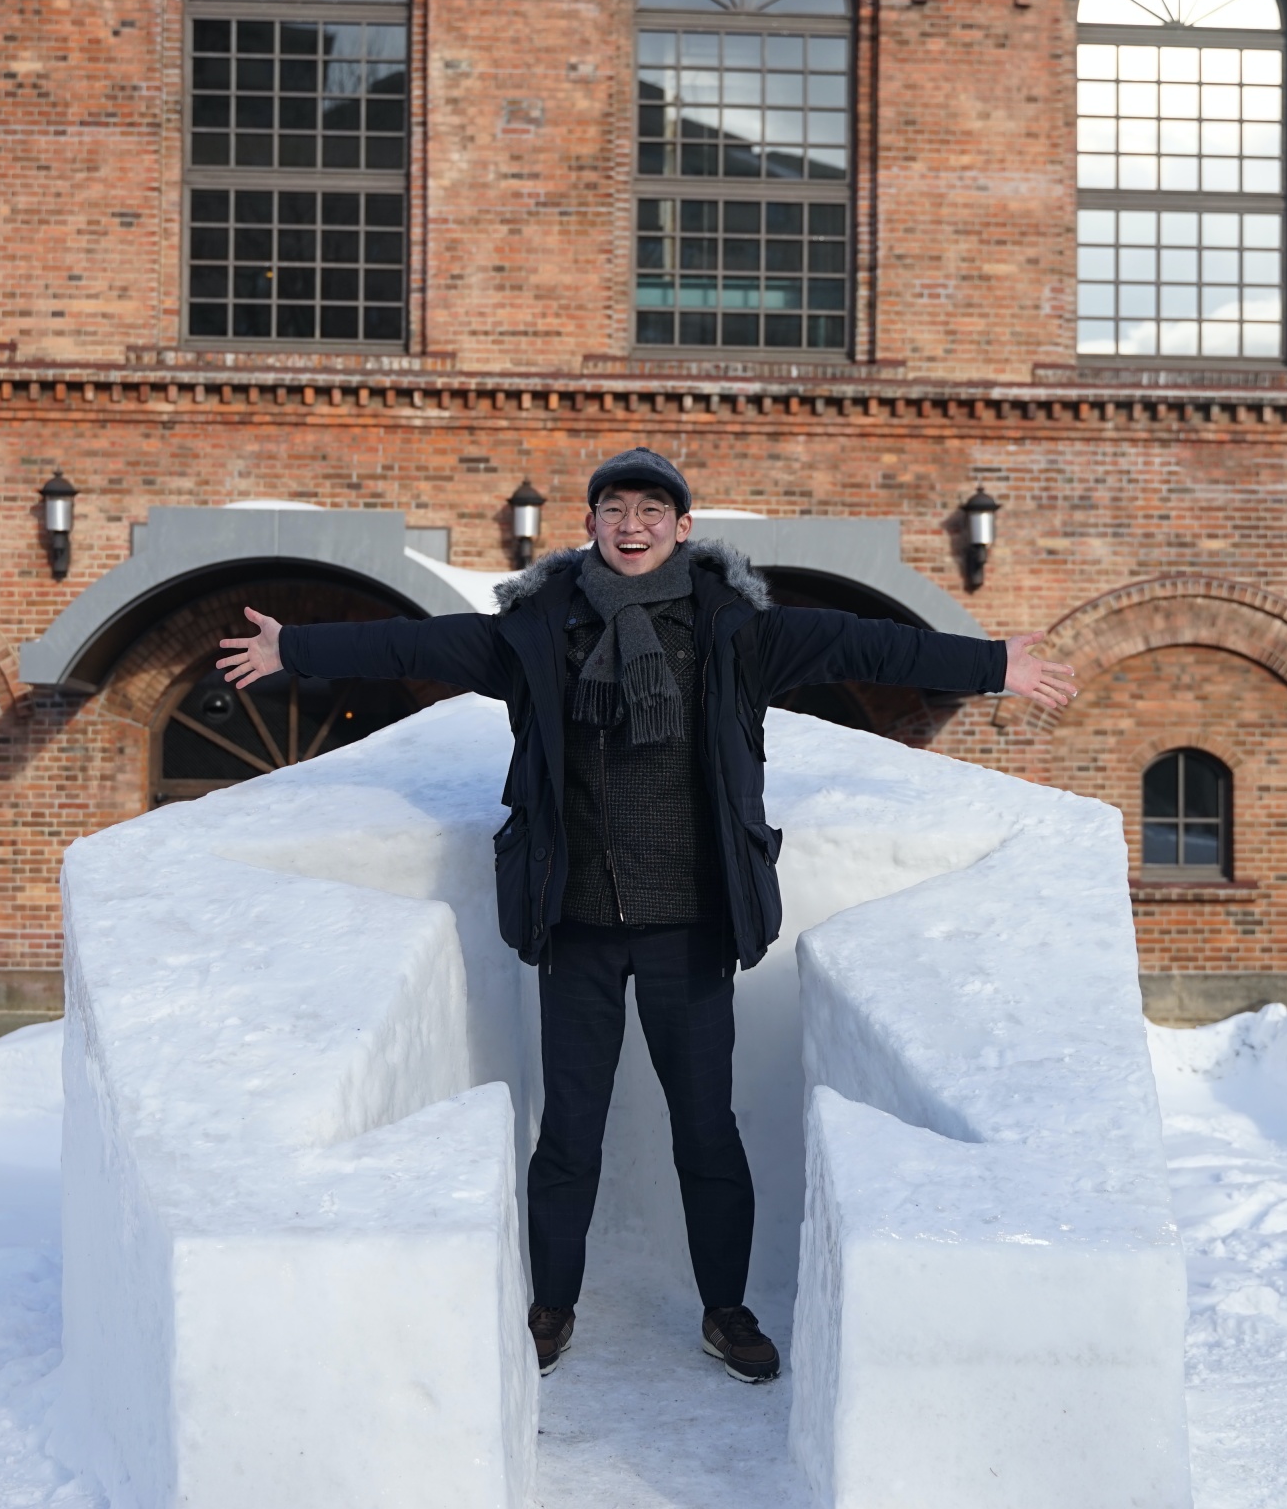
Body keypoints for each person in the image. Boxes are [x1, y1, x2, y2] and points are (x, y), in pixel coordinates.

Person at [218, 449, 1076, 1385]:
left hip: (690, 925)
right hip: (577, 922)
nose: (633, 526)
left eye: (651, 511)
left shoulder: (734, 631)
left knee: (705, 1130)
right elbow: (416, 647)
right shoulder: (537, 632)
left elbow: (865, 646)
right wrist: (295, 649)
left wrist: (992, 663)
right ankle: (552, 1306)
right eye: (615, 509)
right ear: (589, 524)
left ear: (683, 527)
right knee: (568, 1134)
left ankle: (726, 1310)